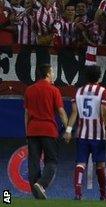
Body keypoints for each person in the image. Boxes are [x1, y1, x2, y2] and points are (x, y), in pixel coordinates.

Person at [63, 65, 106, 201]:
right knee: (100, 164)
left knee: (81, 163)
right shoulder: (103, 91)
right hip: (98, 134)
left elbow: (74, 112)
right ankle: (103, 195)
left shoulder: (78, 91)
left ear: (86, 77)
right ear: (99, 76)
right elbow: (104, 113)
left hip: (82, 134)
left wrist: (68, 130)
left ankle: (78, 193)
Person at [24, 63, 68, 200]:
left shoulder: (29, 90)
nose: (53, 74)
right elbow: (61, 112)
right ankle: (41, 184)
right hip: (49, 130)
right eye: (52, 71)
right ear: (48, 74)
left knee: (33, 162)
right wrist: (68, 129)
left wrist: (27, 132)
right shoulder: (54, 90)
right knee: (52, 161)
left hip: (32, 130)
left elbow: (26, 114)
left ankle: (36, 194)